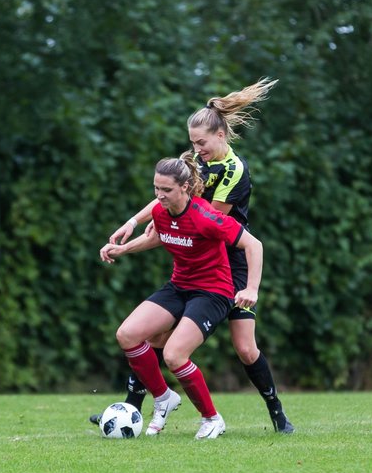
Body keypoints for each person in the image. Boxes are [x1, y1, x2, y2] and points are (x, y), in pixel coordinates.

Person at [96, 78, 293, 434]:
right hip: (200, 257)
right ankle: (133, 409)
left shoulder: (234, 172)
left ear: (221, 137)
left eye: (201, 142)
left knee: (245, 349)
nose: (196, 148)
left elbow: (197, 221)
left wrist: (150, 235)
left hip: (231, 262)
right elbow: (167, 197)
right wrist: (131, 223)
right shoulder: (195, 165)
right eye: (192, 143)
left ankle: (277, 413)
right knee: (153, 336)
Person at [99, 152, 263, 440]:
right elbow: (156, 237)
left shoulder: (207, 216)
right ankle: (163, 397)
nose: (159, 196)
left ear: (185, 187)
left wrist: (251, 288)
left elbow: (254, 244)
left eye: (166, 190)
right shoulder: (162, 212)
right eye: (156, 189)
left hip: (214, 291)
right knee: (127, 334)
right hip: (180, 285)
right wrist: (123, 249)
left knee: (175, 355)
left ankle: (212, 419)